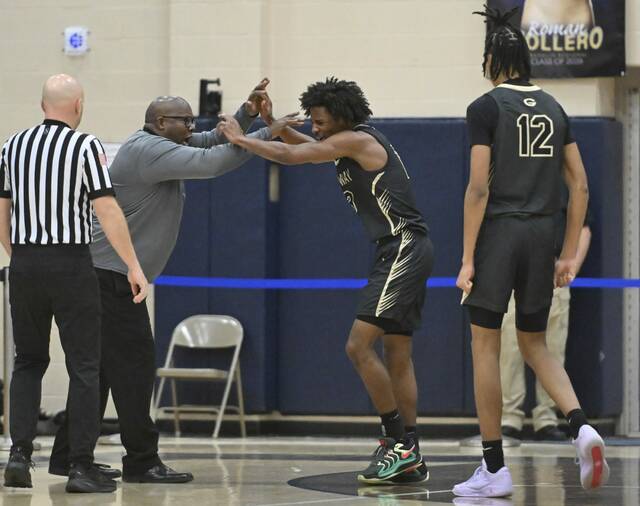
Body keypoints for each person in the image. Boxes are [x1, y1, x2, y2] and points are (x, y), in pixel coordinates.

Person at [49, 78, 300, 484]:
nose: (193, 126)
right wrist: (266, 132)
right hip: (106, 277)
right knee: (134, 370)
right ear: (162, 122)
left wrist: (246, 114)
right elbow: (215, 161)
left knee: (102, 373)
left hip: (103, 275)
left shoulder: (158, 143)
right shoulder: (148, 152)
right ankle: (142, 460)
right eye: (186, 120)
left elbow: (206, 141)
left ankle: (67, 456)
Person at [217, 77, 434, 485]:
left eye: (320, 122)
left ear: (341, 118)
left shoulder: (355, 140)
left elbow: (295, 156)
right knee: (397, 353)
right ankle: (411, 453)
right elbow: (305, 145)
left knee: (357, 345)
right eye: (312, 122)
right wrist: (275, 124)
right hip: (402, 248)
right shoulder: (346, 140)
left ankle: (396, 442)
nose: (315, 129)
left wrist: (242, 139)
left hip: (402, 247)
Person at [454, 6, 609, 498]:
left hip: (501, 232)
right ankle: (582, 427)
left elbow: (478, 190)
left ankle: (494, 467)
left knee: (485, 344)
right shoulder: (557, 109)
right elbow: (580, 186)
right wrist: (566, 255)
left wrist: (467, 259)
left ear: (492, 60)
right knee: (535, 342)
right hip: (544, 236)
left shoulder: (485, 107)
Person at [0, 74, 148, 493]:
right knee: (85, 365)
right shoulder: (85, 146)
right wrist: (133, 265)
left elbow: (2, 208)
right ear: (79, 104)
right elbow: (107, 210)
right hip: (72, 265)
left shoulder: (12, 145)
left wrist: (20, 255)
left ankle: (19, 456)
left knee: (27, 362)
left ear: (41, 103)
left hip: (26, 264)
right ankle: (80, 466)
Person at [501, 208, 592, 441]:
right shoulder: (511, 179)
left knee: (553, 346)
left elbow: (583, 227)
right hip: (514, 267)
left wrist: (570, 268)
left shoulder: (566, 181)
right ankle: (509, 417)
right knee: (510, 346)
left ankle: (546, 417)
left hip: (554, 270)